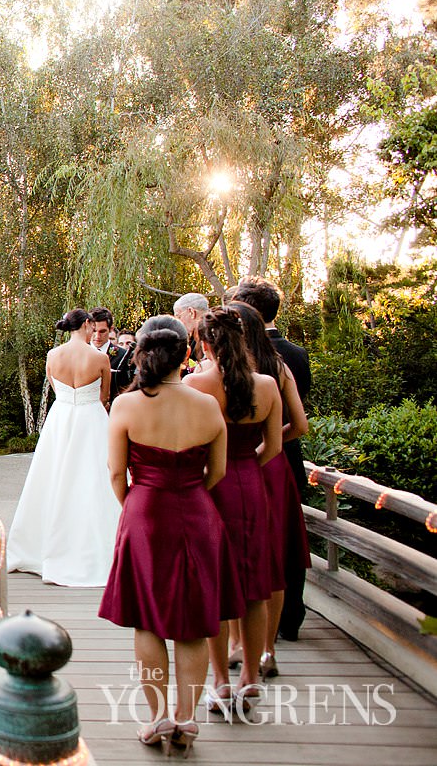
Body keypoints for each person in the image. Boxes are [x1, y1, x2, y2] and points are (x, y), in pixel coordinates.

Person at [98, 315, 238, 755]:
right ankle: (187, 718)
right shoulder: (208, 406)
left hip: (145, 512)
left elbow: (117, 472)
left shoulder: (126, 406)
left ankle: (158, 716)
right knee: (194, 626)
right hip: (197, 511)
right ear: (186, 355)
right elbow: (217, 472)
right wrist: (189, 495)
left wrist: (136, 506)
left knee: (147, 620)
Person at [184, 306, 283, 716]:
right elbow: (274, 447)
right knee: (255, 586)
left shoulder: (197, 384)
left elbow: (189, 444)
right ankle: (251, 680)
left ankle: (221, 681)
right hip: (251, 486)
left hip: (211, 485)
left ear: (204, 343)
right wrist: (245, 467)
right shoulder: (267, 386)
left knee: (215, 585)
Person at [7, 309, 120, 586]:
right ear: (87, 325)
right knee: (92, 480)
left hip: (61, 417)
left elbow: (57, 390)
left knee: (52, 476)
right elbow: (104, 396)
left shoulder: (52, 356)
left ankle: (39, 547)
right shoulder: (99, 357)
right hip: (91, 417)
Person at [230, 300, 309, 677]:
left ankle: (235, 645)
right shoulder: (277, 367)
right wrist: (267, 446)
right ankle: (267, 650)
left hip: (236, 466)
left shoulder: (223, 373)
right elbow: (300, 426)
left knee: (233, 557)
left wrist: (246, 456)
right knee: (272, 559)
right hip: (272, 466)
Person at [89, 307, 130, 407]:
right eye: (94, 331)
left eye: (102, 331)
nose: (97, 336)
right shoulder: (79, 353)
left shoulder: (123, 355)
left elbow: (128, 389)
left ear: (111, 329)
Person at [173, 293, 211, 366]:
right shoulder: (193, 339)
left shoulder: (214, 336)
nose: (177, 323)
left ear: (191, 312)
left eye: (178, 316)